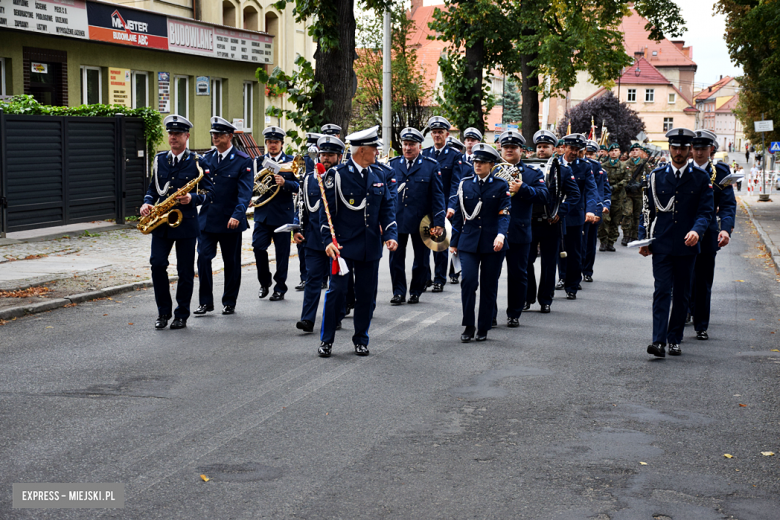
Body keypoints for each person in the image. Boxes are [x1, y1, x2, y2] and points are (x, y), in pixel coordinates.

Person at [317, 126, 398, 357]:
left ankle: (361, 339)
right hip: (342, 246)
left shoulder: (379, 174)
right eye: (374, 149)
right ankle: (327, 340)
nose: (377, 153)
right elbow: (326, 213)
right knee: (337, 293)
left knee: (366, 296)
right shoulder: (337, 175)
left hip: (370, 246)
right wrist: (327, 242)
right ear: (362, 150)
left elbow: (387, 208)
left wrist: (391, 236)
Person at [639, 128, 714, 357]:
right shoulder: (656, 176)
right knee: (661, 290)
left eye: (683, 148)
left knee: (682, 294)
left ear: (689, 150)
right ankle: (658, 341)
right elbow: (647, 212)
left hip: (687, 245)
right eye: (675, 147)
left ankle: (675, 338)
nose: (678, 152)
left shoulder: (700, 178)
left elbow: (705, 211)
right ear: (669, 149)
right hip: (661, 243)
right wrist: (644, 239)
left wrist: (697, 231)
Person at [140, 115, 213, 330]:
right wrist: (147, 203)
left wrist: (194, 199)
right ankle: (163, 312)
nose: (173, 137)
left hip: (187, 222)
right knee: (157, 264)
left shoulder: (198, 162)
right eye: (171, 134)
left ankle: (181, 314)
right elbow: (152, 190)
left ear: (187, 136)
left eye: (178, 134)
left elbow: (211, 193)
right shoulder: (160, 159)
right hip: (161, 222)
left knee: (185, 271)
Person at [449, 144, 510, 342]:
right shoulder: (465, 184)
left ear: (491, 164)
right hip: (469, 241)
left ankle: (483, 326)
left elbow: (504, 213)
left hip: (493, 242)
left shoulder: (501, 185)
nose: (477, 165)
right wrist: (454, 242)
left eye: (482, 162)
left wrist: (501, 235)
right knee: (468, 281)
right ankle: (468, 325)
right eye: (475, 161)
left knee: (488, 285)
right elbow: (458, 216)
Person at [194, 117, 253, 317]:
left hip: (230, 220)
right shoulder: (206, 159)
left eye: (218, 134)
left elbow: (245, 193)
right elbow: (200, 187)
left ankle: (229, 301)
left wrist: (238, 214)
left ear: (229, 137)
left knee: (231, 263)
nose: (214, 137)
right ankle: (205, 302)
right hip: (208, 219)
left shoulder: (243, 160)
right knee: (203, 258)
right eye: (213, 134)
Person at [385, 128, 446, 305]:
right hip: (397, 219)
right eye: (405, 144)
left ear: (419, 146)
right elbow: (386, 196)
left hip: (422, 220)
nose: (408, 148)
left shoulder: (431, 165)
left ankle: (416, 291)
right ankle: (398, 291)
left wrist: (439, 222)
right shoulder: (393, 164)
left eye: (411, 144)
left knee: (421, 259)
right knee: (395, 259)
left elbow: (437, 196)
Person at [495, 130, 548, 326]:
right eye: (506, 147)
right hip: (495, 231)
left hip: (519, 229)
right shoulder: (491, 169)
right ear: (501, 148)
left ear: (521, 150)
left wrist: (522, 188)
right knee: (491, 275)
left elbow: (544, 196)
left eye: (513, 147)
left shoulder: (532, 173)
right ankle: (490, 314)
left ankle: (514, 314)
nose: (509, 150)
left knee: (518, 274)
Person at [295, 135, 346, 333]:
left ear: (339, 157)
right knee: (313, 278)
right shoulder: (309, 179)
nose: (326, 158)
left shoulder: (344, 177)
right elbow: (301, 206)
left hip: (337, 241)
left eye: (330, 155)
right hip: (314, 239)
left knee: (337, 281)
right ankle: (307, 319)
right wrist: (298, 229)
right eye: (323, 154)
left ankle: (337, 315)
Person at [689, 130, 737, 340]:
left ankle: (701, 325)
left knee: (703, 279)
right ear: (691, 150)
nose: (699, 153)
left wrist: (725, 229)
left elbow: (727, 204)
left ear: (711, 150)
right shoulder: (681, 169)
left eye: (703, 149)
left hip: (708, 232)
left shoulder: (720, 172)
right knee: (683, 277)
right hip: (683, 231)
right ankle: (685, 310)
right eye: (696, 148)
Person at [526, 130, 580, 313]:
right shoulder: (527, 168)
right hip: (530, 222)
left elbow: (574, 195)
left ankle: (545, 299)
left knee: (548, 264)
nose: (541, 150)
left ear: (554, 148)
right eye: (539, 147)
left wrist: (560, 212)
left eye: (545, 147)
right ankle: (527, 297)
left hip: (551, 223)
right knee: (526, 261)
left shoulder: (562, 169)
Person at [252, 126, 299, 301]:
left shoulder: (291, 161)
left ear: (281, 143)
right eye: (270, 142)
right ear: (266, 143)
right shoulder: (258, 161)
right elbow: (252, 185)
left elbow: (298, 186)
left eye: (276, 142)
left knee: (282, 253)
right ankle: (264, 282)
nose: (273, 145)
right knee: (258, 247)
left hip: (283, 214)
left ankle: (280, 287)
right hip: (262, 213)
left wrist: (285, 183)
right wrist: (252, 196)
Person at [421, 116, 466, 290]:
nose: (437, 135)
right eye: (434, 132)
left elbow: (456, 183)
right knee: (424, 244)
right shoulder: (425, 154)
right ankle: (425, 278)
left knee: (439, 243)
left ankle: (439, 279)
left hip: (443, 206)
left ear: (447, 134)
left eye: (440, 132)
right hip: (426, 205)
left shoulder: (455, 156)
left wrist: (451, 206)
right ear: (431, 135)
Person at [555, 134, 599, 299]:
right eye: (571, 148)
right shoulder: (554, 164)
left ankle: (572, 285)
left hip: (575, 214)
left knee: (575, 252)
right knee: (559, 249)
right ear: (564, 147)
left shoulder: (585, 167)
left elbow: (591, 189)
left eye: (577, 149)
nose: (573, 152)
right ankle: (562, 277)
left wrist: (591, 210)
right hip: (557, 214)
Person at [295, 132, 323, 292]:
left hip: (318, 205)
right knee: (304, 246)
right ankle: (305, 277)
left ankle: (321, 278)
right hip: (305, 203)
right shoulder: (304, 160)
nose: (311, 149)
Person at [598, 143, 630, 252]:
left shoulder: (624, 166)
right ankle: (603, 241)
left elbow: (626, 180)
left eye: (616, 150)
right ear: (608, 152)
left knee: (615, 222)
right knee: (604, 220)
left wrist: (615, 187)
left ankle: (611, 242)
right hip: (606, 197)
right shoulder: (603, 166)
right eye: (611, 151)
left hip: (618, 197)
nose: (613, 152)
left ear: (619, 152)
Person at [621, 143, 652, 246]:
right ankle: (626, 236)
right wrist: (627, 185)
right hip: (628, 194)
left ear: (640, 152)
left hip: (640, 194)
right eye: (633, 150)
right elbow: (620, 178)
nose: (635, 151)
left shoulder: (645, 164)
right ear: (630, 152)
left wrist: (641, 184)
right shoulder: (625, 164)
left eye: (637, 150)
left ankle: (635, 236)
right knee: (628, 213)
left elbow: (650, 177)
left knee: (637, 216)